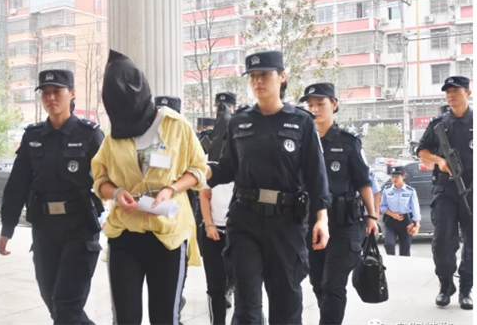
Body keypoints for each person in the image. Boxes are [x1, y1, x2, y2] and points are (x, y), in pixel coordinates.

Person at [206, 51, 331, 325]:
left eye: (264, 75)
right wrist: (201, 171)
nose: (257, 81)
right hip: (245, 221)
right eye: (252, 76)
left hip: (286, 223)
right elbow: (227, 167)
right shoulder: (239, 121)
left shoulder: (301, 122)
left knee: (286, 305)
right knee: (246, 306)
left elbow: (316, 175)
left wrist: (321, 219)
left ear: (282, 76)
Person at [91, 50, 207, 325]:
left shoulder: (176, 126)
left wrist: (171, 189)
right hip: (125, 235)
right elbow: (100, 179)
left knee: (165, 317)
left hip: (167, 235)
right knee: (126, 318)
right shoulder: (113, 136)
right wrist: (117, 193)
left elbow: (198, 169)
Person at [0, 70, 103, 325]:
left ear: (72, 94)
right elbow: (18, 184)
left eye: (57, 91)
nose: (51, 97)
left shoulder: (89, 134)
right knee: (53, 300)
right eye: (45, 93)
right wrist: (7, 228)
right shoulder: (33, 136)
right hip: (45, 228)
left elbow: (109, 178)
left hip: (80, 226)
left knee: (67, 304)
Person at [301, 82, 379, 325]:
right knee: (317, 282)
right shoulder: (302, 141)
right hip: (311, 222)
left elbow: (363, 182)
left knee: (332, 284)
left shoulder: (348, 141)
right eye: (310, 105)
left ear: (333, 104)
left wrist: (372, 217)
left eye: (320, 104)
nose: (314, 109)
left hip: (344, 223)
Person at [417, 75, 473, 310]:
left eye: (455, 91)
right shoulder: (438, 124)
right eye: (447, 91)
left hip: (472, 189)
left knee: (472, 243)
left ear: (468, 93)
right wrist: (439, 160)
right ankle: (446, 284)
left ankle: (466, 288)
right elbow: (422, 151)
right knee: (442, 242)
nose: (450, 95)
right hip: (445, 189)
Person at [199, 91, 238, 325]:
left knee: (245, 287)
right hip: (214, 231)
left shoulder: (246, 160)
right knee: (215, 288)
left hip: (240, 232)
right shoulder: (210, 162)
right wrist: (209, 225)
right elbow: (204, 195)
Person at [379, 166, 420, 256]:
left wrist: (416, 224)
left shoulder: (410, 191)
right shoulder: (387, 190)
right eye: (392, 176)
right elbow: (382, 206)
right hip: (390, 221)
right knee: (389, 245)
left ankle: (404, 264)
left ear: (403, 176)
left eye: (397, 177)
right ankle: (392, 263)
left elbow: (415, 208)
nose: (394, 179)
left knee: (405, 249)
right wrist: (393, 215)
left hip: (406, 222)